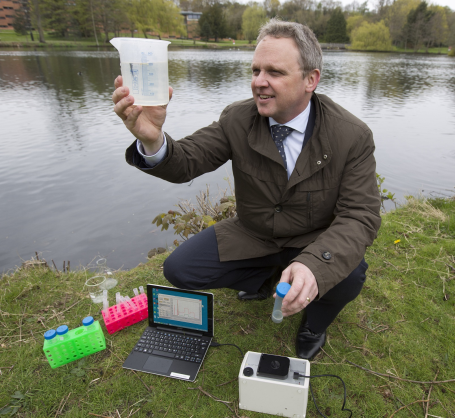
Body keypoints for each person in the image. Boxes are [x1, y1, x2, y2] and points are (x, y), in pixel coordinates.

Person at [112, 19, 381, 360]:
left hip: (314, 239)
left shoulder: (351, 135)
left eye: (274, 72)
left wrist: (314, 266)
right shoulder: (237, 119)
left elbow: (360, 215)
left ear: (310, 79)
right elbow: (188, 161)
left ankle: (315, 322)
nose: (259, 83)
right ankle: (266, 282)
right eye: (255, 70)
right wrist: (152, 140)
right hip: (254, 235)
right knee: (179, 269)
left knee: (349, 274)